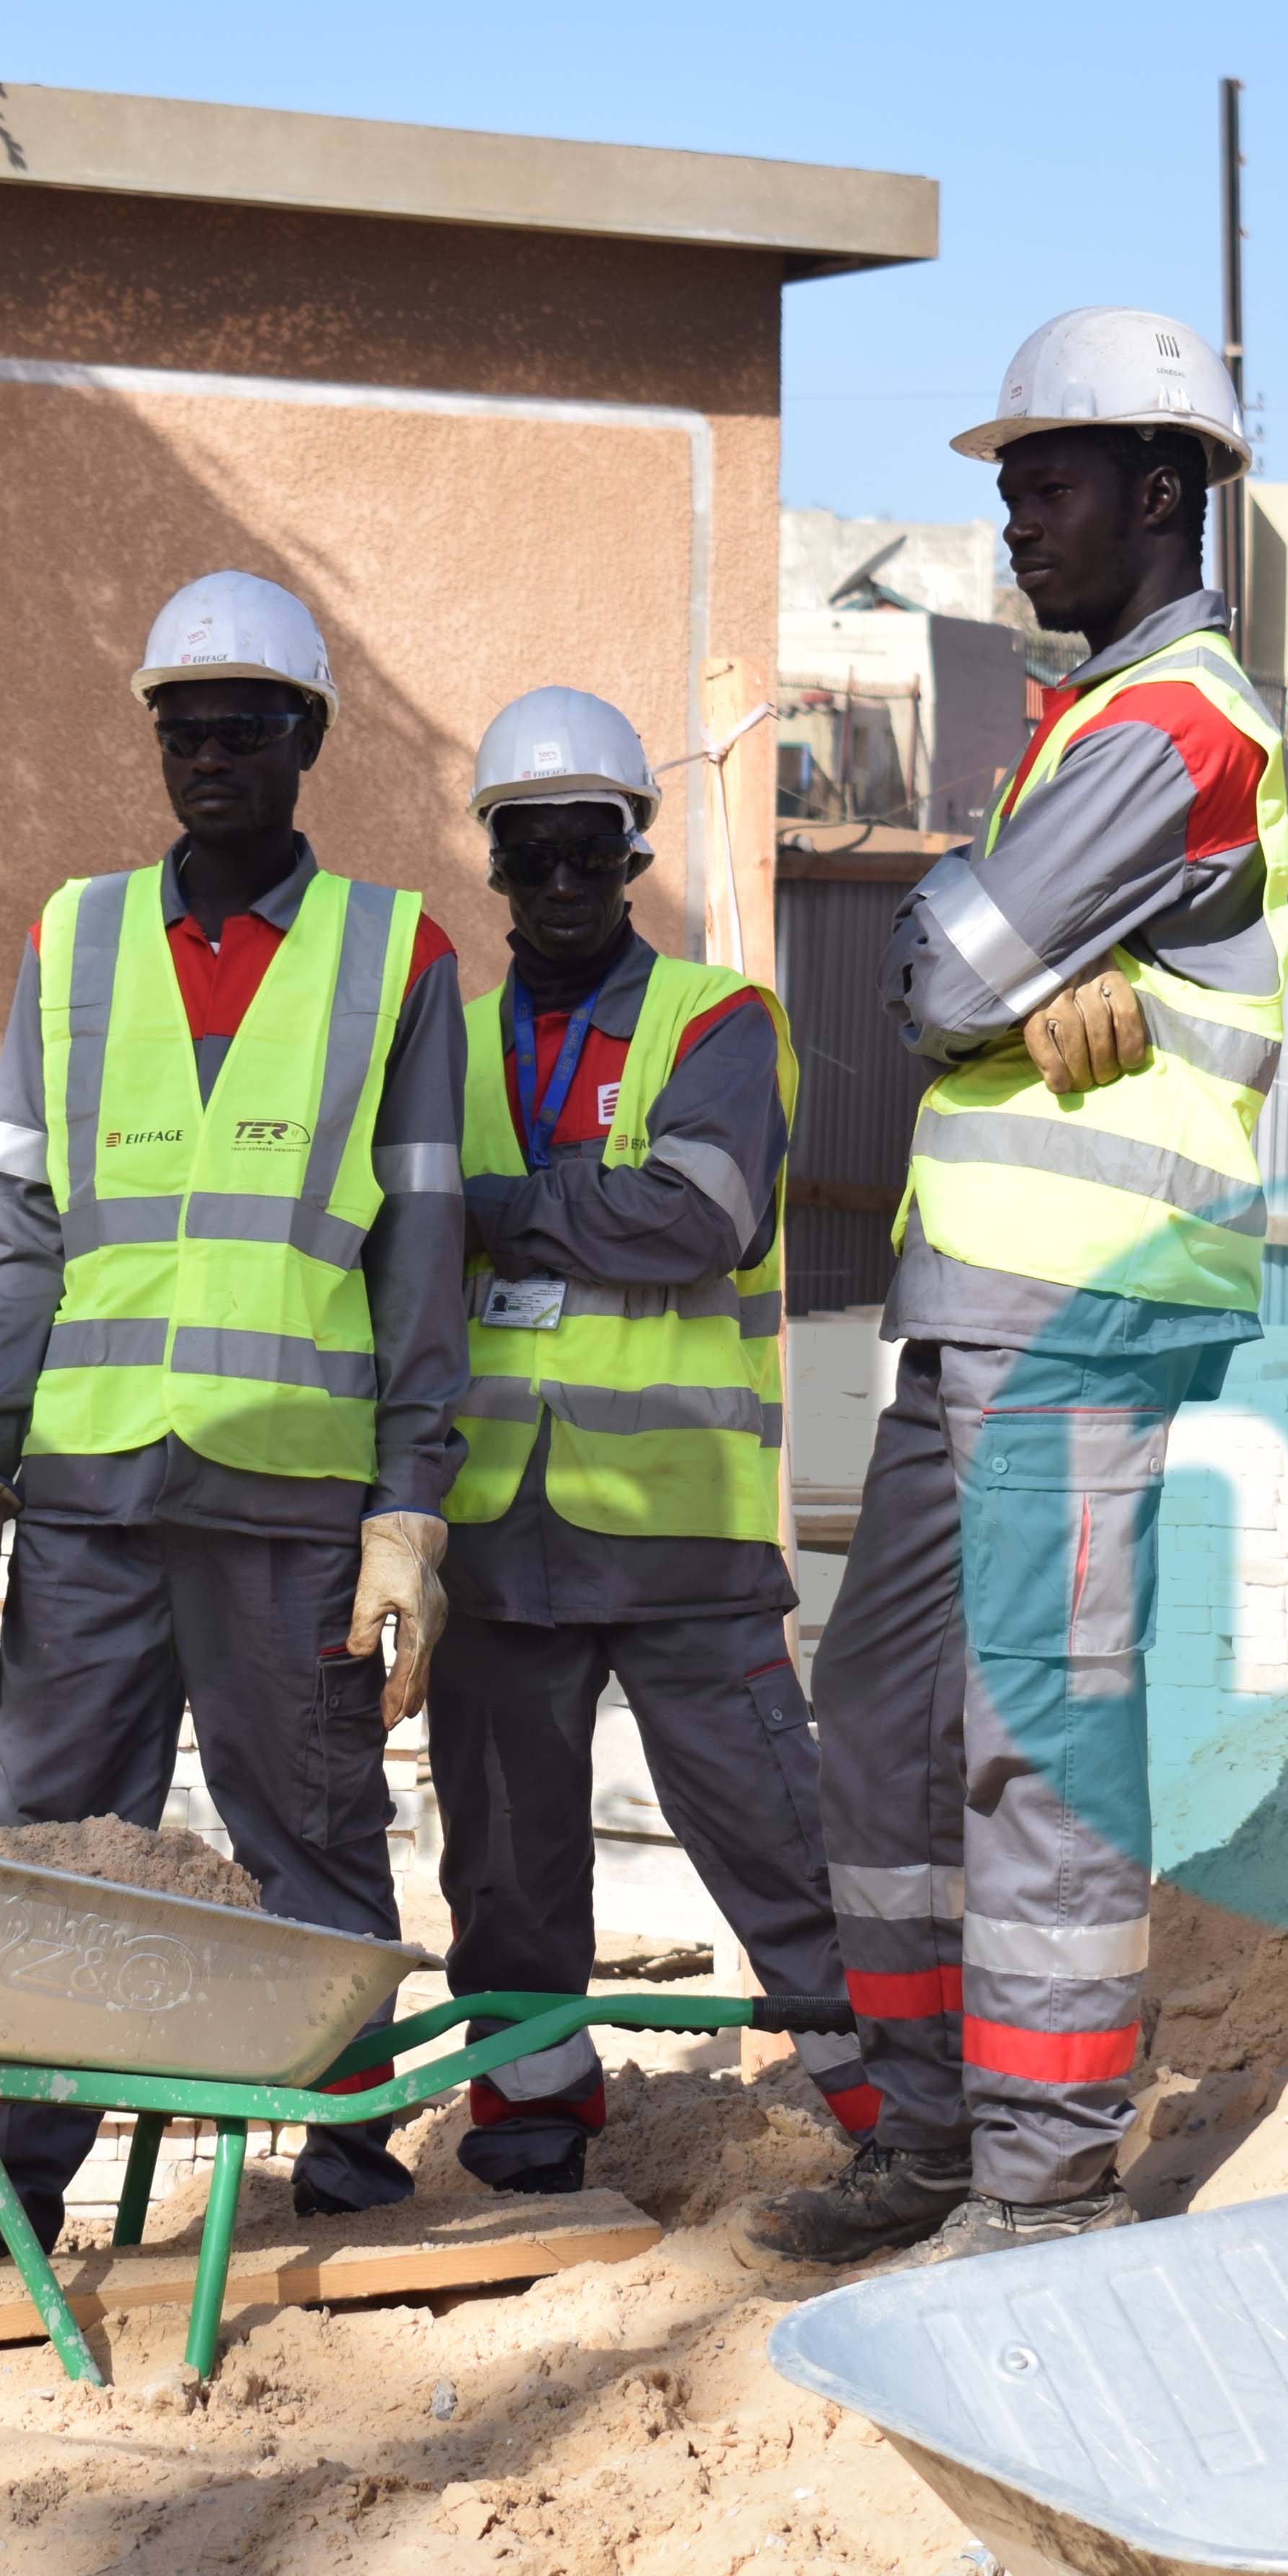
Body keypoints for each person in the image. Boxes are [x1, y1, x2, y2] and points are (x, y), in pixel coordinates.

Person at [740, 308, 1288, 2272]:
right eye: (1001, 494)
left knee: (1037, 1743)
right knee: (883, 1716)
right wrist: (982, 959)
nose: (1011, 529)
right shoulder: (1090, 727)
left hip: (1087, 1314)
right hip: (968, 1314)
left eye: (1041, 486)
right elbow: (939, 970)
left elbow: (943, 985)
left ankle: (1045, 2187)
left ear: (1162, 485)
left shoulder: (1178, 727)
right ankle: (927, 2137)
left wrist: (989, 963)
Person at [0, 569, 468, 2244]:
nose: (210, 754)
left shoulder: (397, 954)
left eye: (244, 726)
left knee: (312, 1841)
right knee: (51, 1856)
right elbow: (17, 1216)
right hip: (87, 1495)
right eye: (183, 727)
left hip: (291, 1504)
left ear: (308, 739)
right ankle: (18, 2181)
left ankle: (351, 2163)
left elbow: (426, 1247)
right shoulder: (73, 937)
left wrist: (409, 1510)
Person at [426, 685, 876, 2195]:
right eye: (529, 851)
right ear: (495, 860)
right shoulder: (449, 1047)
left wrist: (490, 1210)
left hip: (681, 1531)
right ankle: (532, 2107)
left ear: (634, 855)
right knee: (501, 1864)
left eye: (587, 849)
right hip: (496, 1535)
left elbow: (698, 1217)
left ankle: (887, 2089)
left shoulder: (717, 1021)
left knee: (778, 1835)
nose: (558, 880)